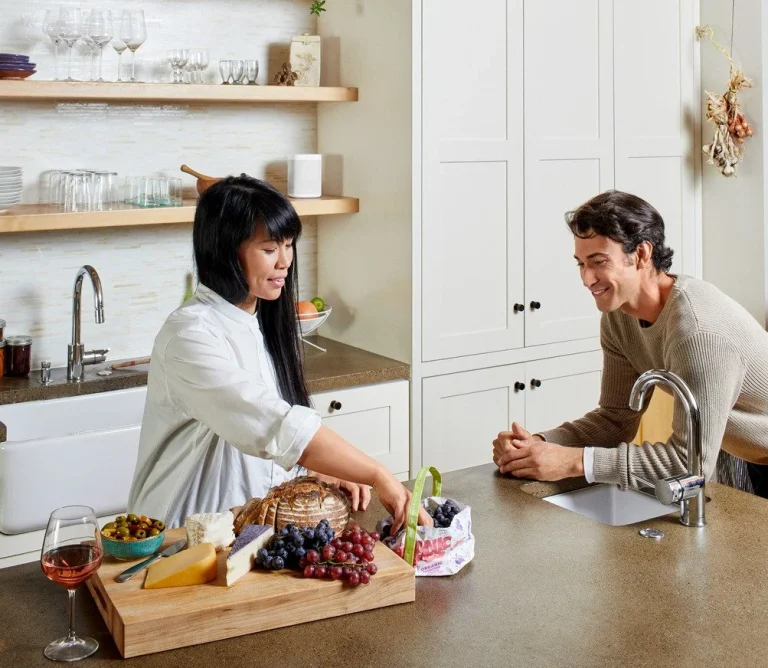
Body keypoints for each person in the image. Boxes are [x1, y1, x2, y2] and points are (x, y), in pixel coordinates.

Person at [129, 175, 431, 529]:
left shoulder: (259, 320)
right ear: (225, 252)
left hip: (243, 533)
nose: (285, 261)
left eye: (289, 245)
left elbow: (264, 445)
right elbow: (272, 425)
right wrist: (379, 474)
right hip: (180, 540)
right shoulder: (190, 336)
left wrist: (320, 468)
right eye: (270, 249)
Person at [492, 190, 768, 498]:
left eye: (598, 262)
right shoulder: (619, 317)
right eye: (581, 264)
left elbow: (687, 465)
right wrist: (536, 446)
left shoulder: (699, 331)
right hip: (750, 453)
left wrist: (574, 461)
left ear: (641, 254)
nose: (587, 278)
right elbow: (615, 418)